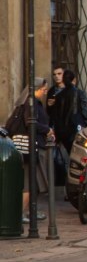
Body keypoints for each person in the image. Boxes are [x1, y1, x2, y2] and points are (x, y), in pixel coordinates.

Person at [2, 78, 54, 222]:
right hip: (31, 147)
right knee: (30, 183)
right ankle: (19, 214)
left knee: (34, 183)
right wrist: (47, 130)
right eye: (43, 90)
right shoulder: (31, 103)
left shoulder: (26, 103)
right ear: (36, 89)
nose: (45, 93)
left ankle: (31, 211)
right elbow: (31, 123)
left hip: (30, 146)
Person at [48, 67, 87, 151]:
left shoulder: (59, 95)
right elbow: (84, 111)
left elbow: (56, 115)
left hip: (62, 131)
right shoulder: (79, 93)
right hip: (76, 128)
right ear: (74, 79)